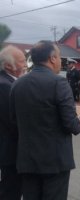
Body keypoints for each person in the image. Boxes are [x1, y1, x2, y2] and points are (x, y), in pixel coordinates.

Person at [10, 40, 80, 199]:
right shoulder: (59, 83)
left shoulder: (17, 84)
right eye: (59, 56)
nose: (60, 61)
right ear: (52, 58)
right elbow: (72, 124)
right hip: (54, 162)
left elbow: (14, 121)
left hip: (27, 160)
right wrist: (79, 123)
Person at [0, 45, 26, 200]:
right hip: (11, 151)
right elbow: (13, 121)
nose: (26, 65)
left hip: (11, 150)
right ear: (9, 65)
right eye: (22, 61)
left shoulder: (9, 82)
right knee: (11, 192)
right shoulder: (5, 85)